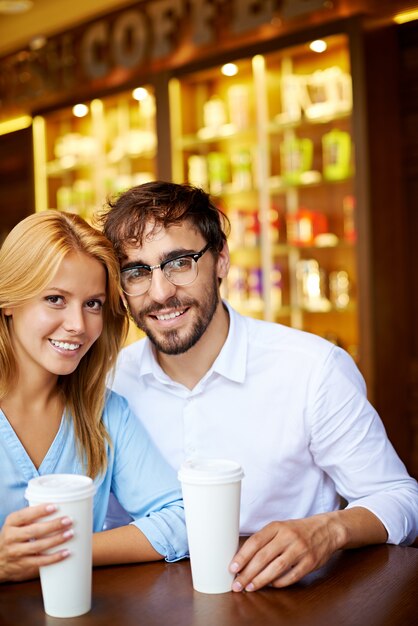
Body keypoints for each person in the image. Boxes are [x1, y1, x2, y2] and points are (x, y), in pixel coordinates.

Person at [100, 181, 418, 593]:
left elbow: (400, 497)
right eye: (137, 272)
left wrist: (329, 529)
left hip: (286, 603)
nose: (160, 293)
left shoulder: (311, 369)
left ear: (221, 260)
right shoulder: (109, 384)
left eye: (180, 263)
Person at [0, 209, 188, 584]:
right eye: (55, 299)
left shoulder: (104, 412)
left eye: (93, 304)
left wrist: (62, 553)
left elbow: (181, 519)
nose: (78, 325)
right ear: (9, 301)